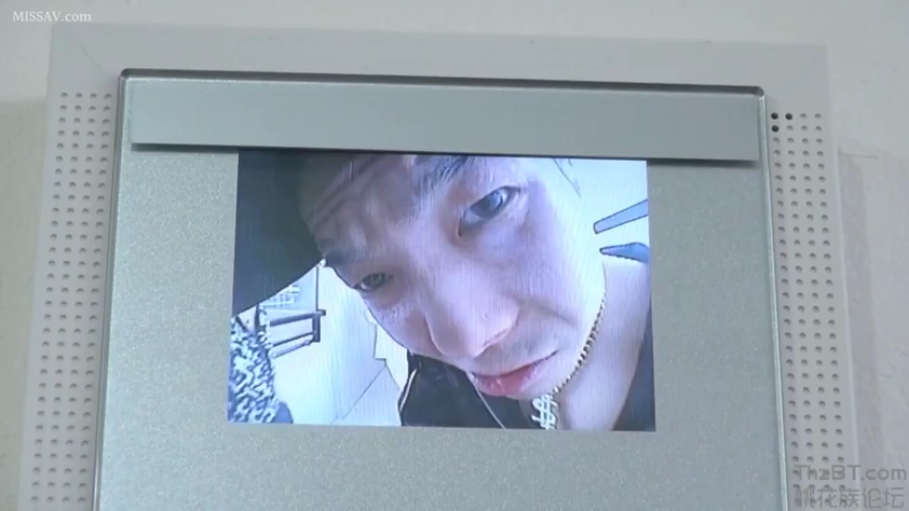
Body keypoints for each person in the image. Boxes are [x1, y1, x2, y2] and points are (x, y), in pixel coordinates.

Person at [232, 151, 653, 431]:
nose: (464, 341)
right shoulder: (435, 389)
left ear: (568, 166)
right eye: (374, 278)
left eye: (488, 205)